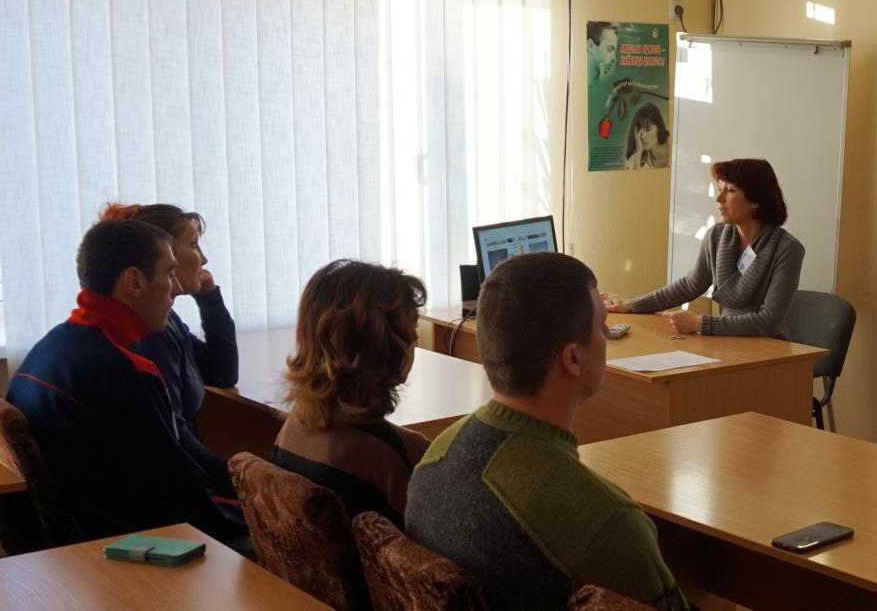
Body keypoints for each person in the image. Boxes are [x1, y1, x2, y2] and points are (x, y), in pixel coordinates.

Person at [405, 253, 688, 611]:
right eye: (601, 326)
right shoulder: (605, 521)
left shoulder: (434, 458)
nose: (606, 335)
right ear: (573, 359)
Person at [6, 219, 247, 542]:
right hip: (122, 545)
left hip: (79, 538)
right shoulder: (121, 370)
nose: (175, 287)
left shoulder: (50, 348)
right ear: (135, 282)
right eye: (169, 274)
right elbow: (178, 497)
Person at [273, 259, 430, 530]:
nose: (415, 341)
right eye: (412, 332)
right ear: (385, 347)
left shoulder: (293, 426)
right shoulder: (401, 455)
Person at [101, 203, 238, 495]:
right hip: (180, 494)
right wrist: (243, 482)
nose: (204, 258)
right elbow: (176, 443)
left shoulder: (165, 320)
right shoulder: (149, 336)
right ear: (165, 253)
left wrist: (209, 297)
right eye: (194, 245)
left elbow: (221, 372)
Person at [602, 158, 805, 338]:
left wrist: (700, 324)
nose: (719, 198)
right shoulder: (716, 236)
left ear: (756, 201)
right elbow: (690, 285)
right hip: (728, 342)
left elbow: (768, 322)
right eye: (719, 188)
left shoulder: (787, 249)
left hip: (772, 349)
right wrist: (632, 305)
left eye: (730, 190)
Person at [624, 103, 671, 169]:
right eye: (639, 131)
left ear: (659, 127)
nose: (642, 136)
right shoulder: (636, 157)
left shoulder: (675, 140)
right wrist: (638, 154)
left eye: (647, 129)